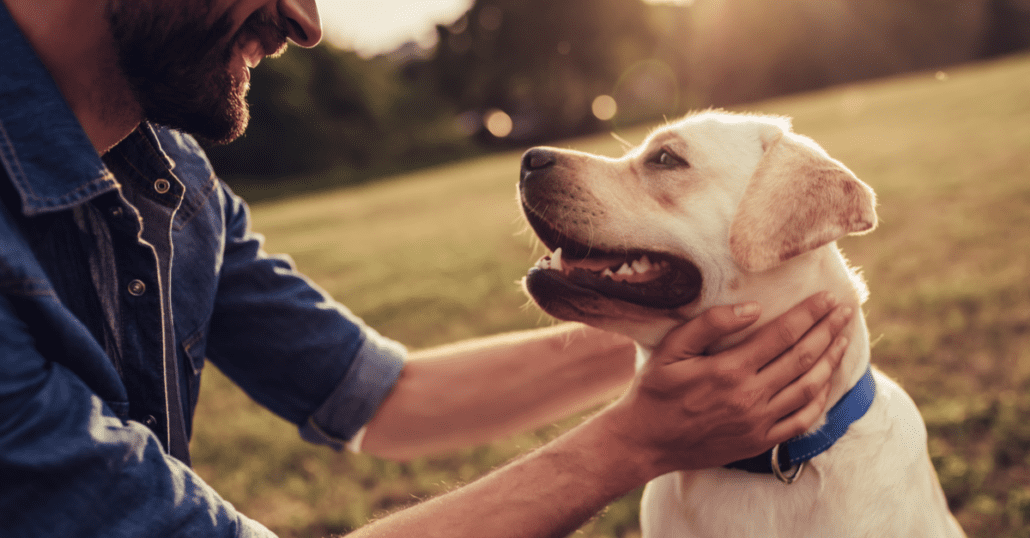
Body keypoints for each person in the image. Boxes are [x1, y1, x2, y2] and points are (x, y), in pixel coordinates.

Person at [0, 1, 855, 537]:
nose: (305, 20)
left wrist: (718, 328)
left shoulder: (175, 182)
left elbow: (385, 396)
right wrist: (630, 443)